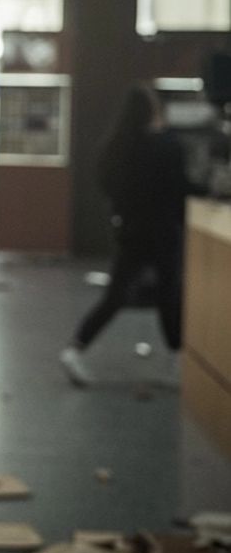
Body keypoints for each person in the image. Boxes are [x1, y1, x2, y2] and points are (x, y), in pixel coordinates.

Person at [59, 83, 189, 387]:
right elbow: (180, 189)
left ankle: (76, 347)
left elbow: (106, 184)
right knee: (170, 295)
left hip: (131, 231)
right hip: (164, 231)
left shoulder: (118, 147)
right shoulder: (167, 146)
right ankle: (177, 360)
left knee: (117, 296)